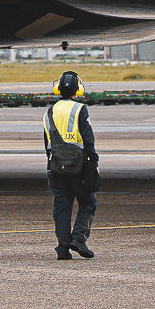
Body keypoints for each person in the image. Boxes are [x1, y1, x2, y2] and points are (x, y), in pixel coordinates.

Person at [43, 70, 99, 260]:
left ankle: (63, 248)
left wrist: (52, 164)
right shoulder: (80, 109)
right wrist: (94, 163)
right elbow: (88, 139)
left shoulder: (49, 111)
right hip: (78, 166)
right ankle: (79, 238)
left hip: (55, 166)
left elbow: (47, 142)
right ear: (78, 89)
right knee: (88, 201)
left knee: (61, 206)